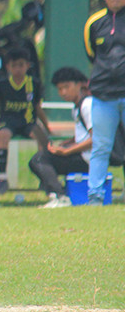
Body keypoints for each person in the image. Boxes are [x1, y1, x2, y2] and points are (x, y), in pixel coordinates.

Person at [0, 47, 50, 196]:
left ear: (27, 66)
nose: (18, 69)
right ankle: (2, 178)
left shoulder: (33, 84)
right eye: (14, 65)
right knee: (3, 135)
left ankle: (45, 178)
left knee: (42, 139)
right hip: (8, 121)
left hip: (27, 121)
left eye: (21, 65)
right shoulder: (3, 84)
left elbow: (37, 108)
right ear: (8, 67)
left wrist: (47, 127)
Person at [84, 0, 125, 204]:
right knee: (101, 146)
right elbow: (91, 53)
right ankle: (95, 196)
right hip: (103, 97)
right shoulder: (94, 23)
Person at [29, 67, 91, 207]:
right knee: (44, 156)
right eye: (59, 89)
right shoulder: (76, 107)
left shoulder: (87, 105)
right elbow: (86, 134)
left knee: (39, 159)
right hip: (82, 154)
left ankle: (60, 196)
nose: (63, 92)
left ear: (79, 85)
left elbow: (97, 139)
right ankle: (59, 193)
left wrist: (67, 151)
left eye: (66, 87)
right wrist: (68, 142)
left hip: (89, 159)